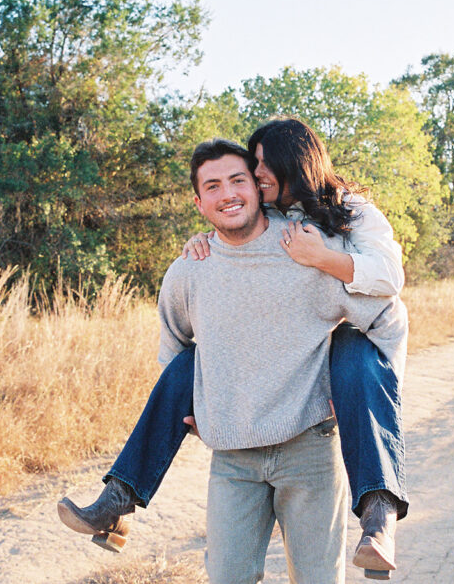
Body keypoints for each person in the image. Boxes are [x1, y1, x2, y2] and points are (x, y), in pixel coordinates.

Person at [59, 120, 408, 579]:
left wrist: (356, 392)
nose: (231, 193)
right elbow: (173, 352)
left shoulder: (311, 242)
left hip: (307, 449)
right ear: (198, 202)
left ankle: (379, 512)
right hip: (233, 457)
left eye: (243, 178)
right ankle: (119, 499)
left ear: (262, 186)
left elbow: (387, 307)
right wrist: (196, 406)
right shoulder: (190, 268)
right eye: (213, 186)